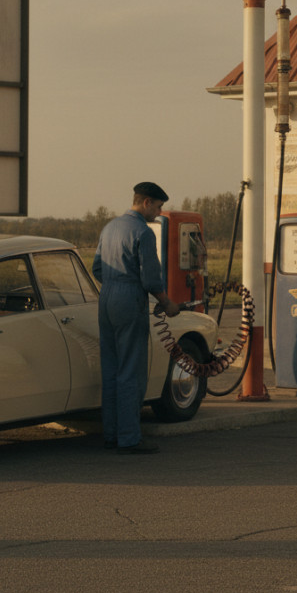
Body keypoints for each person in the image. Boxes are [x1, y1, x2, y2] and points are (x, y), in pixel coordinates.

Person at [92, 182, 181, 455]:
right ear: (146, 203)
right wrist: (165, 302)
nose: (159, 211)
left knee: (111, 370)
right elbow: (151, 277)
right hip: (129, 299)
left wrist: (113, 285)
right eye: (158, 206)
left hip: (106, 297)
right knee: (131, 371)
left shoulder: (109, 228)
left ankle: (111, 434)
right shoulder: (143, 231)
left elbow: (97, 268)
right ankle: (129, 437)